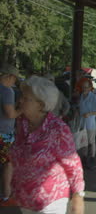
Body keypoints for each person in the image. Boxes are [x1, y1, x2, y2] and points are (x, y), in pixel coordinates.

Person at [10, 76, 84, 214]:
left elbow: (73, 165)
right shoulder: (23, 123)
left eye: (26, 98)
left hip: (50, 202)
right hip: (26, 200)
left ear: (41, 104)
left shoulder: (57, 129)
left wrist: (77, 198)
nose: (20, 100)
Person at [0, 64, 22, 206]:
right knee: (8, 164)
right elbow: (10, 114)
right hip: (4, 134)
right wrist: (22, 109)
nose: (15, 82)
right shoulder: (7, 91)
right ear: (10, 77)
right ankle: (6, 196)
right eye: (15, 79)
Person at [79, 79, 96, 170]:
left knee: (91, 142)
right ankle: (84, 159)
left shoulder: (94, 97)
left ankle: (92, 160)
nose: (84, 89)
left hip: (90, 123)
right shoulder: (81, 96)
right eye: (83, 87)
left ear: (90, 88)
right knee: (83, 142)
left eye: (86, 87)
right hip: (82, 123)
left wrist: (89, 114)